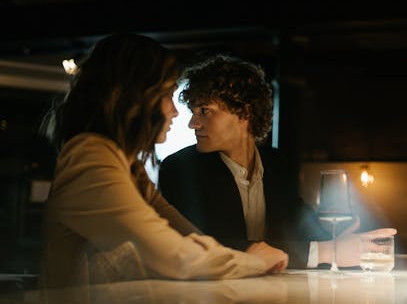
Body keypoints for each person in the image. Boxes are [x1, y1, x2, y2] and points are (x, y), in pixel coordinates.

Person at [39, 34, 289, 294]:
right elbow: (177, 257)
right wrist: (254, 261)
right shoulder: (90, 158)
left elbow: (185, 234)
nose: (177, 112)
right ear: (137, 97)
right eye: (168, 94)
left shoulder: (126, 167)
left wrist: (244, 259)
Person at [158, 54, 396, 269]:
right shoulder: (180, 169)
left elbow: (300, 226)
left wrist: (338, 236)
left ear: (245, 113)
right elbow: (213, 246)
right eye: (193, 111)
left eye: (204, 111)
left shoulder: (276, 163)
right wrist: (325, 250)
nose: (193, 123)